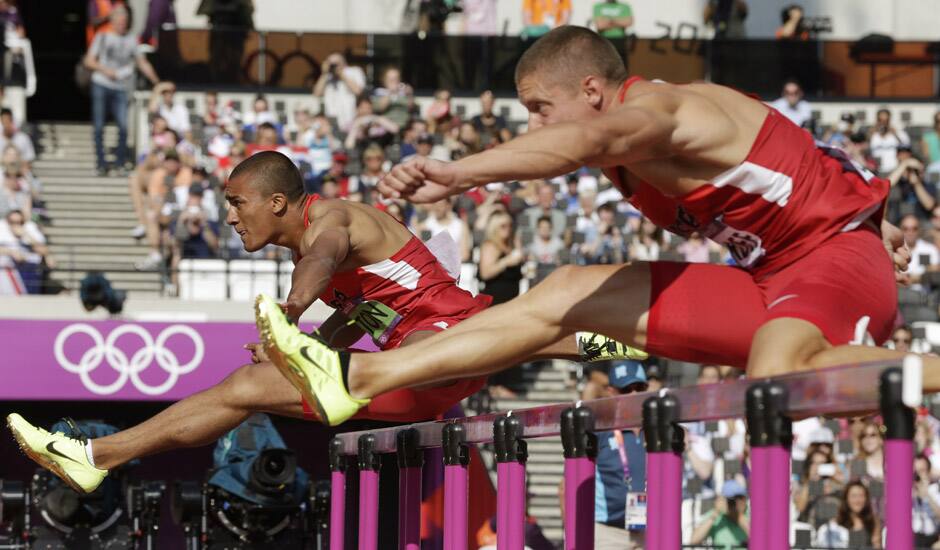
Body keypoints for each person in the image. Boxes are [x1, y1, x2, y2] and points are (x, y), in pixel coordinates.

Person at [253, 26, 937, 428]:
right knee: (567, 292)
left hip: (831, 264)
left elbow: (576, 147)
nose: (532, 125)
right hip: (772, 280)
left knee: (771, 376)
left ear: (590, 92)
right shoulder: (632, 159)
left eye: (538, 108)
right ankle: (362, 377)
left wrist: (460, 171)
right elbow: (806, 162)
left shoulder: (663, 114)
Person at [7, 151, 639, 493]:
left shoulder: (333, 221)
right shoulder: (321, 250)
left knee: (531, 335)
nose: (229, 216)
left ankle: (627, 351)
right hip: (435, 350)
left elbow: (320, 260)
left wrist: (290, 313)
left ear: (278, 202)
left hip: (443, 342)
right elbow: (350, 321)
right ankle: (96, 455)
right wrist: (301, 347)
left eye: (237, 203)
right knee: (244, 387)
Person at [558, 361, 649, 549]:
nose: (634, 394)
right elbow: (567, 486)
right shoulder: (600, 431)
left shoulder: (657, 429)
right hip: (607, 533)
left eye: (639, 387)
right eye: (626, 389)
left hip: (649, 529)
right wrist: (573, 534)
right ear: (611, 392)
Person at [84, 5, 159, 176]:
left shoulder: (131, 39)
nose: (121, 25)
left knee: (124, 127)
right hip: (101, 83)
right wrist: (105, 70)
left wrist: (156, 81)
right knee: (98, 126)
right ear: (112, 21)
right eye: (118, 21)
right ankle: (101, 163)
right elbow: (89, 61)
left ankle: (119, 163)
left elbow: (142, 62)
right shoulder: (102, 36)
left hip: (121, 87)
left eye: (124, 22)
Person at [814, 481, 882, 548]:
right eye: (853, 496)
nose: (858, 500)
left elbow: (876, 546)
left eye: (861, 495)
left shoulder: (873, 522)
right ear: (846, 499)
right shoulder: (836, 523)